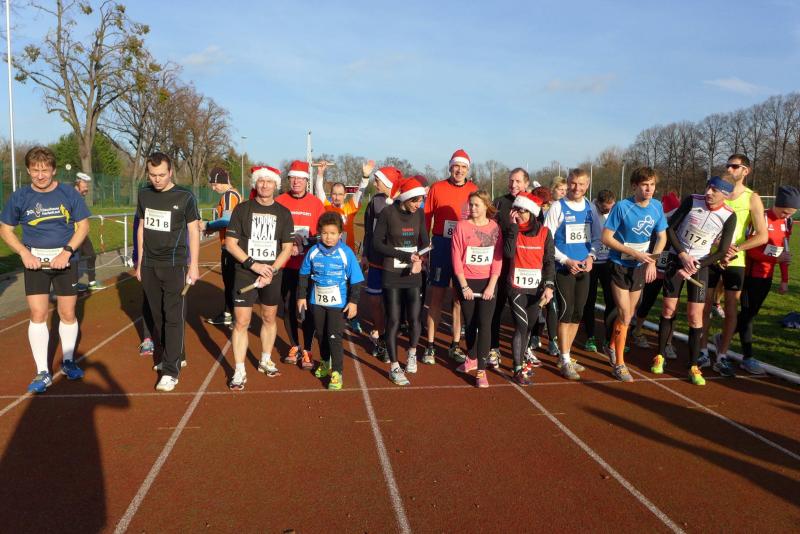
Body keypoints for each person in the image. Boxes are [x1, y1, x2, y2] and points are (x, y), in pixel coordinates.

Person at [0, 146, 90, 393]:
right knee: (38, 313)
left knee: (67, 313)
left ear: (53, 170)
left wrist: (66, 252)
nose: (40, 176)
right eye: (35, 170)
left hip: (65, 262)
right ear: (28, 170)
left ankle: (68, 361)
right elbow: (5, 230)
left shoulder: (68, 193)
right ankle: (43, 371)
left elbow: (83, 226)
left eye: (45, 170)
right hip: (35, 264)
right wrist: (24, 253)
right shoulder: (20, 197)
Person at [651, 176, 737, 385]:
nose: (708, 193)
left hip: (700, 265)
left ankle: (693, 365)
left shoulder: (729, 215)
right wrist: (682, 255)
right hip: (676, 258)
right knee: (668, 309)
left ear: (725, 195)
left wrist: (697, 265)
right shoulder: (692, 200)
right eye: (708, 187)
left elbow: (722, 251)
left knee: (695, 316)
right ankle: (660, 355)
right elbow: (670, 228)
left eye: (714, 190)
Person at [224, 165, 295, 390]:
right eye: (261, 181)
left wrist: (271, 270)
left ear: (276, 185)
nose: (265, 185)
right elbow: (230, 244)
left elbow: (287, 248)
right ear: (255, 183)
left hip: (272, 274)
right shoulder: (242, 209)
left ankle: (265, 359)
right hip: (245, 272)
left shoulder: (283, 213)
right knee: (241, 321)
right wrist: (253, 265)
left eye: (269, 181)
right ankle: (239, 369)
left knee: (269, 317)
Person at [135, 152, 201, 392]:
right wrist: (139, 262)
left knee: (173, 316)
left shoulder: (185, 197)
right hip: (149, 265)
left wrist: (194, 265)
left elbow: (193, 231)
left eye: (162, 175)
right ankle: (176, 353)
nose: (157, 179)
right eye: (153, 175)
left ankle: (170, 371)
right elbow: (142, 227)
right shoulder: (144, 194)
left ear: (170, 172)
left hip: (175, 265)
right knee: (159, 316)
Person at [703, 154, 768, 377]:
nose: (729, 169)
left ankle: (722, 355)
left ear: (746, 171)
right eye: (728, 166)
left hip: (735, 260)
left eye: (735, 166)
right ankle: (702, 351)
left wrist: (736, 249)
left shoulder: (752, 198)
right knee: (704, 306)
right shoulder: (716, 190)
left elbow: (762, 235)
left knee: (731, 308)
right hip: (710, 256)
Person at [602, 166, 667, 382]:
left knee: (629, 313)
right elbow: (606, 238)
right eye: (644, 185)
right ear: (634, 186)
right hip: (619, 265)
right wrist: (633, 252)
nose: (649, 189)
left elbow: (662, 237)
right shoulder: (622, 207)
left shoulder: (657, 207)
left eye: (652, 185)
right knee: (625, 315)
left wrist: (652, 261)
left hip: (640, 267)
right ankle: (619, 364)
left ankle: (612, 345)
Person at [544, 168, 603, 380]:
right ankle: (565, 358)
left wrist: (591, 257)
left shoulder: (591, 208)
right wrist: (566, 260)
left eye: (581, 184)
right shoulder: (557, 207)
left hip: (584, 268)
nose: (576, 188)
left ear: (587, 185)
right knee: (566, 312)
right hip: (564, 269)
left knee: (578, 313)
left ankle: (566, 355)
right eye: (573, 183)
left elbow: (597, 238)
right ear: (568, 183)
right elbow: (547, 240)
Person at [297, 212, 365, 390]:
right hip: (317, 301)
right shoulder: (313, 251)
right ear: (319, 233)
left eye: (333, 233)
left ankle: (337, 372)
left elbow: (356, 279)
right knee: (321, 334)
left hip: (338, 304)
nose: (328, 237)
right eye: (325, 233)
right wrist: (301, 296)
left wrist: (353, 302)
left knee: (334, 336)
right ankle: (325, 361)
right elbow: (303, 274)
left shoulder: (346, 253)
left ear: (340, 234)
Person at [372, 177, 429, 385]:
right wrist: (405, 256)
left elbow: (425, 242)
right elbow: (377, 244)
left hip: (413, 273)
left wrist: (420, 258)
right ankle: (394, 366)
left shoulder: (419, 214)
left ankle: (412, 354)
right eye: (415, 200)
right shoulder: (388, 213)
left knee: (414, 318)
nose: (418, 205)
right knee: (394, 320)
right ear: (405, 198)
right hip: (392, 273)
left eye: (421, 200)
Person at [736, 185, 798, 374]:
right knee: (747, 316)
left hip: (767, 276)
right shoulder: (760, 218)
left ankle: (722, 337)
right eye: (784, 212)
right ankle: (748, 357)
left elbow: (784, 253)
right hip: (750, 275)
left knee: (751, 314)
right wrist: (774, 259)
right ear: (777, 205)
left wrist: (785, 279)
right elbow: (750, 250)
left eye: (791, 213)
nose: (786, 216)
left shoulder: (787, 223)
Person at [424, 149, 478, 364]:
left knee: (458, 298)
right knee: (436, 296)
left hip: (464, 248)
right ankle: (430, 345)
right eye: (456, 166)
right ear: (450, 166)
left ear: (468, 169)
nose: (459, 170)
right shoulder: (437, 188)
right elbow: (426, 218)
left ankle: (455, 344)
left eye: (464, 167)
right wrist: (424, 249)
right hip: (441, 245)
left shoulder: (473, 190)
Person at [451, 190, 503, 387]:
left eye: (476, 205)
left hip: (488, 282)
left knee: (485, 324)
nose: (472, 208)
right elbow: (456, 257)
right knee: (471, 324)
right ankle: (471, 357)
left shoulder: (494, 227)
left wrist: (491, 285)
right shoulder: (462, 226)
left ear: (486, 206)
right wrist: (463, 285)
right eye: (470, 204)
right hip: (467, 282)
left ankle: (481, 370)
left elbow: (497, 259)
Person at [276, 160, 325, 369]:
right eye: (293, 178)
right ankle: (294, 345)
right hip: (285, 265)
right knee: (288, 306)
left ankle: (307, 349)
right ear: (289, 179)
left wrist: (304, 241)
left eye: (300, 178)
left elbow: (324, 235)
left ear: (307, 181)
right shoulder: (279, 201)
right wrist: (288, 241)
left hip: (308, 266)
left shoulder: (316, 204)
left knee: (307, 308)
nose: (296, 182)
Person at [503, 192, 555, 385]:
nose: (518, 214)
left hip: (535, 290)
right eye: (515, 210)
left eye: (522, 211)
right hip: (515, 287)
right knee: (521, 326)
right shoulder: (512, 229)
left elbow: (549, 261)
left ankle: (522, 360)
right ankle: (517, 368)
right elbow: (508, 253)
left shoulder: (545, 233)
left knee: (528, 328)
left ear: (532, 213)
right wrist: (513, 227)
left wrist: (549, 285)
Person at [314, 159, 372, 334]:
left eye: (340, 194)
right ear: (331, 195)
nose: (337, 197)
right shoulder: (326, 207)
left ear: (345, 195)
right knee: (330, 284)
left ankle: (352, 318)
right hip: (329, 255)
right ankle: (326, 317)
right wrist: (320, 174)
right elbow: (319, 190)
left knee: (351, 287)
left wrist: (365, 177)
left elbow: (360, 192)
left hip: (348, 255)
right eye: (334, 194)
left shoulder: (351, 207)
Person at [628, 192, 681, 356]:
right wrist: (658, 267)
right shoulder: (657, 225)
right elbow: (658, 247)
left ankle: (668, 342)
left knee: (672, 307)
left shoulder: (680, 226)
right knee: (647, 301)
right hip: (655, 268)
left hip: (674, 269)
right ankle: (637, 329)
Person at [489, 168, 531, 366]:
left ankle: (525, 349)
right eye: (511, 181)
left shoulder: (532, 203)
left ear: (526, 184)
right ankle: (494, 348)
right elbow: (490, 229)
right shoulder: (499, 202)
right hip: (502, 262)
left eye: (518, 181)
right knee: (496, 306)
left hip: (525, 264)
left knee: (524, 310)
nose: (513, 185)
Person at [361, 166, 401, 362]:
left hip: (395, 263)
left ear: (388, 182)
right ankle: (381, 336)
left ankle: (387, 340)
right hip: (376, 260)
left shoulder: (403, 202)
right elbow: (368, 231)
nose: (375, 183)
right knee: (374, 301)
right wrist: (365, 255)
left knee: (393, 304)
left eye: (378, 180)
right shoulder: (374, 202)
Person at [202, 167, 242, 326]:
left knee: (231, 283)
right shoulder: (234, 194)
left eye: (215, 184)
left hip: (231, 246)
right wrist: (213, 228)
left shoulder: (229, 195)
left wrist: (207, 225)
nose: (213, 188)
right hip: (233, 245)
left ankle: (237, 319)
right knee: (230, 282)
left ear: (223, 181)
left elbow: (227, 220)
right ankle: (228, 313)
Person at [581, 189, 616, 353]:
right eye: (605, 208)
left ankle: (610, 338)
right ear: (598, 203)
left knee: (612, 300)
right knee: (589, 300)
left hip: (608, 262)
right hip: (591, 262)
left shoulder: (614, 212)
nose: (608, 211)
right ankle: (590, 336)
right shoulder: (589, 210)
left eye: (611, 207)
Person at [73, 172, 103, 291]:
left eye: (87, 185)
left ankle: (92, 282)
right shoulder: (73, 196)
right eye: (84, 185)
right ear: (77, 183)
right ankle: (73, 285)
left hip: (82, 233)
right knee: (74, 259)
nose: (87, 188)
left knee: (91, 255)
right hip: (74, 234)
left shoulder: (80, 197)